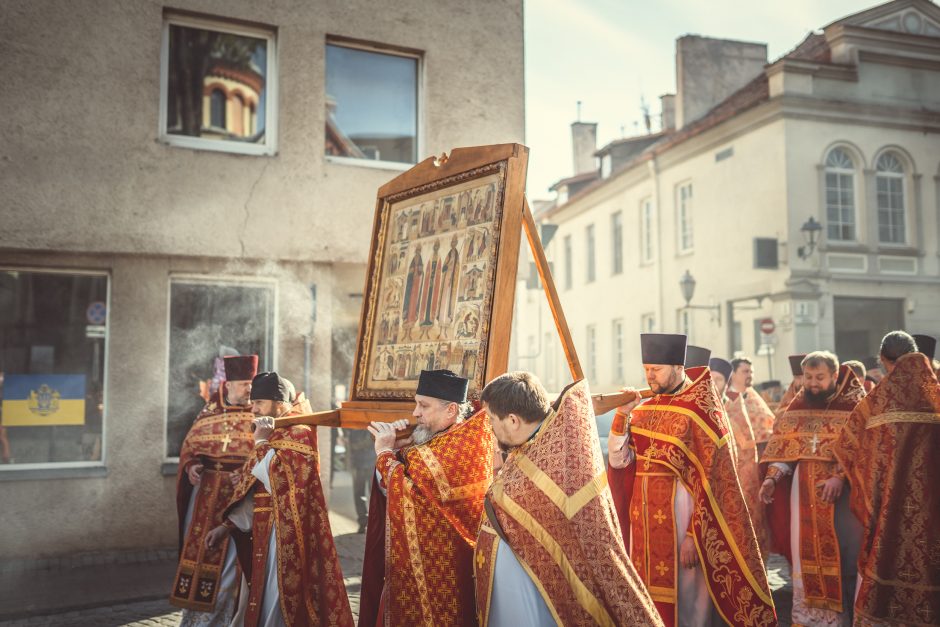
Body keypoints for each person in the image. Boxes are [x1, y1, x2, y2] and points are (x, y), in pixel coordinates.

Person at [607, 333, 776, 627]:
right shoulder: (643, 410)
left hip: (682, 522)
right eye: (646, 368)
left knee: (689, 605)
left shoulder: (701, 412)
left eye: (656, 369)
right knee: (645, 594)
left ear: (678, 366)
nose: (650, 375)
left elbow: (712, 482)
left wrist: (693, 536)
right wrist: (622, 416)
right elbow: (619, 461)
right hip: (643, 523)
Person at [475, 372, 662, 626]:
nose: (490, 429)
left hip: (540, 602)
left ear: (513, 420)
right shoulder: (541, 438)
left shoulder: (558, 465)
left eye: (491, 420)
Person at [205, 372, 353, 627]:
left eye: (259, 403)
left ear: (280, 404)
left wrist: (262, 443)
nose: (253, 409)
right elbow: (255, 490)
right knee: (257, 602)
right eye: (253, 403)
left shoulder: (299, 432)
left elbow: (280, 482)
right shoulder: (270, 431)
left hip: (287, 537)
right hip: (262, 532)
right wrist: (226, 526)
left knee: (279, 601)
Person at [359, 369, 493, 627]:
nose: (415, 413)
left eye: (423, 405)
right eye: (416, 404)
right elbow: (410, 475)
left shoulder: (459, 446)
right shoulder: (444, 436)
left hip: (446, 566)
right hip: (422, 559)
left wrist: (385, 453)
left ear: (451, 410)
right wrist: (400, 447)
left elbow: (409, 488)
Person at [832, 331, 940, 625]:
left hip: (890, 509)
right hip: (934, 512)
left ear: (884, 361)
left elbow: (849, 446)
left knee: (887, 563)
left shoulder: (876, 403)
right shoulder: (937, 394)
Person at [760, 351, 865, 626]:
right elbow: (785, 449)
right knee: (803, 555)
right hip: (802, 491)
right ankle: (812, 620)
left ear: (834, 376)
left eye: (820, 378)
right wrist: (772, 478)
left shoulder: (854, 407)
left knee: (845, 558)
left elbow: (864, 451)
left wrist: (840, 477)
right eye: (808, 377)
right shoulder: (798, 406)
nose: (813, 383)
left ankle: (846, 619)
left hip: (841, 499)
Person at [170, 355, 258, 624]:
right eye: (244, 384)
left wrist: (245, 475)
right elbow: (190, 448)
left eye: (251, 383)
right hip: (205, 498)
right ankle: (195, 620)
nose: (249, 390)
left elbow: (265, 456)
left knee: (232, 563)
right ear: (228, 384)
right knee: (198, 555)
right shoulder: (209, 412)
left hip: (238, 498)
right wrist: (192, 466)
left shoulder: (259, 415)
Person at [711, 356, 768, 555]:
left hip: (734, 479)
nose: (712, 384)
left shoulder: (735, 406)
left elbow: (746, 452)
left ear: (726, 383)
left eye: (717, 380)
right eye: (708, 379)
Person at [728, 357, 776, 449]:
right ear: (733, 374)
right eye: (745, 372)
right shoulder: (726, 399)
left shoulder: (754, 397)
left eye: (751, 372)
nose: (750, 375)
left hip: (760, 448)